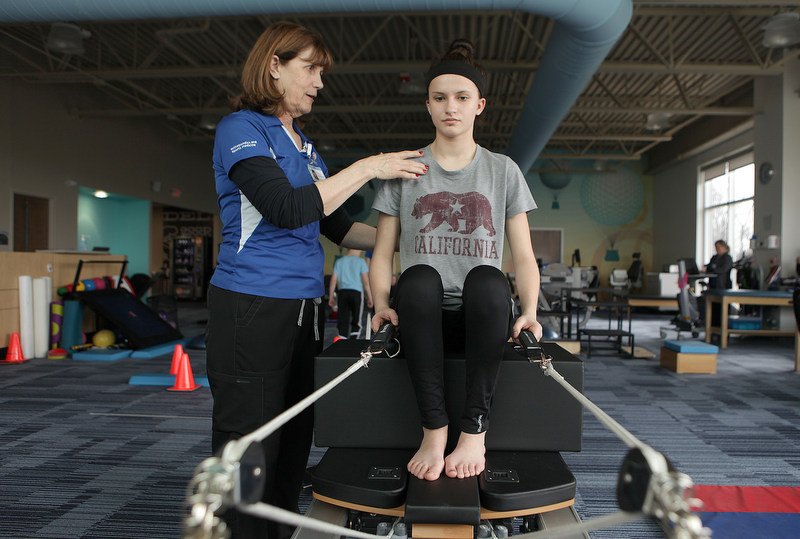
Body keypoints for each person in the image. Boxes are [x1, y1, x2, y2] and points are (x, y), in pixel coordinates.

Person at [206, 21, 427, 538]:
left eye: (321, 72)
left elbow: (341, 228)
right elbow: (286, 208)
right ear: (273, 67)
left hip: (304, 310)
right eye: (310, 69)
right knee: (250, 443)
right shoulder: (241, 129)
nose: (319, 83)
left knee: (293, 439)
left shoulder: (305, 147)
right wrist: (372, 166)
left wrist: (418, 240)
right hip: (250, 304)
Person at [369, 40, 543, 483]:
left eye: (462, 98)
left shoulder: (503, 170)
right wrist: (380, 305)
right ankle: (434, 428)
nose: (452, 108)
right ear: (427, 104)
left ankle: (473, 431)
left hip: (480, 319)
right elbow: (383, 251)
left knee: (487, 278)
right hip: (420, 315)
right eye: (441, 98)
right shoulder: (405, 168)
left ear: (479, 105)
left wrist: (529, 313)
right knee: (421, 277)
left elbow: (523, 254)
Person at [328, 249, 373, 339]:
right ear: (358, 249)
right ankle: (353, 341)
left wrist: (331, 297)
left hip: (342, 293)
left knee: (342, 319)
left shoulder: (339, 261)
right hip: (356, 293)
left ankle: (341, 340)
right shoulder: (361, 261)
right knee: (357, 320)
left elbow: (333, 281)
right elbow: (366, 282)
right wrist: (370, 297)